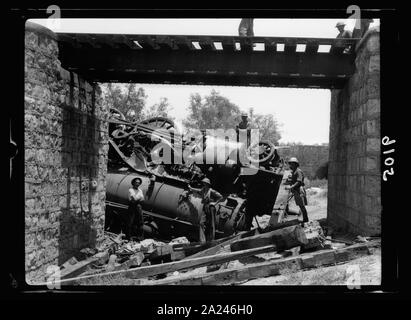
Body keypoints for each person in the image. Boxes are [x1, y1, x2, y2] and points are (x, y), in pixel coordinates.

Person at [198, 178, 223, 242]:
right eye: (203, 183)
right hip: (205, 207)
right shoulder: (203, 190)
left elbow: (221, 197)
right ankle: (202, 241)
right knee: (201, 223)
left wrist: (215, 203)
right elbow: (198, 191)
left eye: (204, 183)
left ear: (207, 184)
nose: (203, 184)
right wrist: (191, 188)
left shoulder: (211, 191)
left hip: (211, 208)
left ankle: (211, 239)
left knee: (211, 224)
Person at [284, 157, 309, 223]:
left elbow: (299, 181)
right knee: (300, 205)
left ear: (295, 164)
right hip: (296, 190)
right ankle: (304, 218)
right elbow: (294, 180)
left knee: (302, 206)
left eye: (292, 164)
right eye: (290, 164)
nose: (290, 165)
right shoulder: (294, 172)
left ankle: (306, 219)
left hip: (299, 189)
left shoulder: (298, 171)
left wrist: (291, 186)